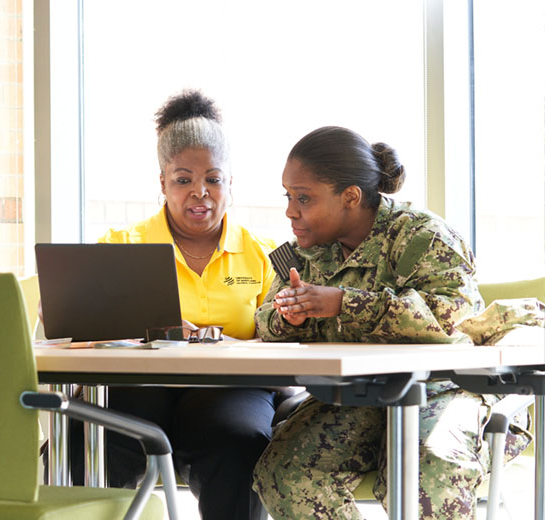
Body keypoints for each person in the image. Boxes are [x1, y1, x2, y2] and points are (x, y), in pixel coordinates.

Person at [251, 126, 531, 519]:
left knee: (426, 473)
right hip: (360, 397)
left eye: (304, 198)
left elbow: (454, 316)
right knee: (285, 472)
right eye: (288, 196)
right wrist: (291, 318)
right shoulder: (306, 253)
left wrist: (344, 305)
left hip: (448, 390)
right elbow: (264, 320)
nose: (290, 211)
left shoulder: (422, 235)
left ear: (350, 197)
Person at [70, 89, 277, 520]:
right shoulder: (120, 246)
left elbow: (281, 341)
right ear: (162, 183)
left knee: (241, 439)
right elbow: (75, 328)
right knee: (86, 436)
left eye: (213, 180)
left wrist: (216, 342)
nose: (200, 193)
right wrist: (148, 333)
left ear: (230, 183)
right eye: (183, 180)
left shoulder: (263, 255)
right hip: (138, 389)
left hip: (229, 391)